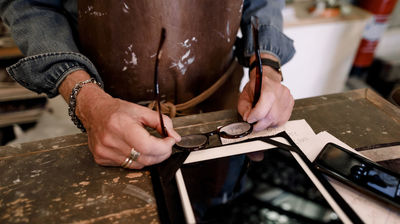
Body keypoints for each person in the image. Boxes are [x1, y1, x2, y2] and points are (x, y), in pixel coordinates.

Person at [0, 0, 295, 169]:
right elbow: (30, 4)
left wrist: (266, 68)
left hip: (223, 110)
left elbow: (262, 3)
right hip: (107, 119)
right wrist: (88, 104)